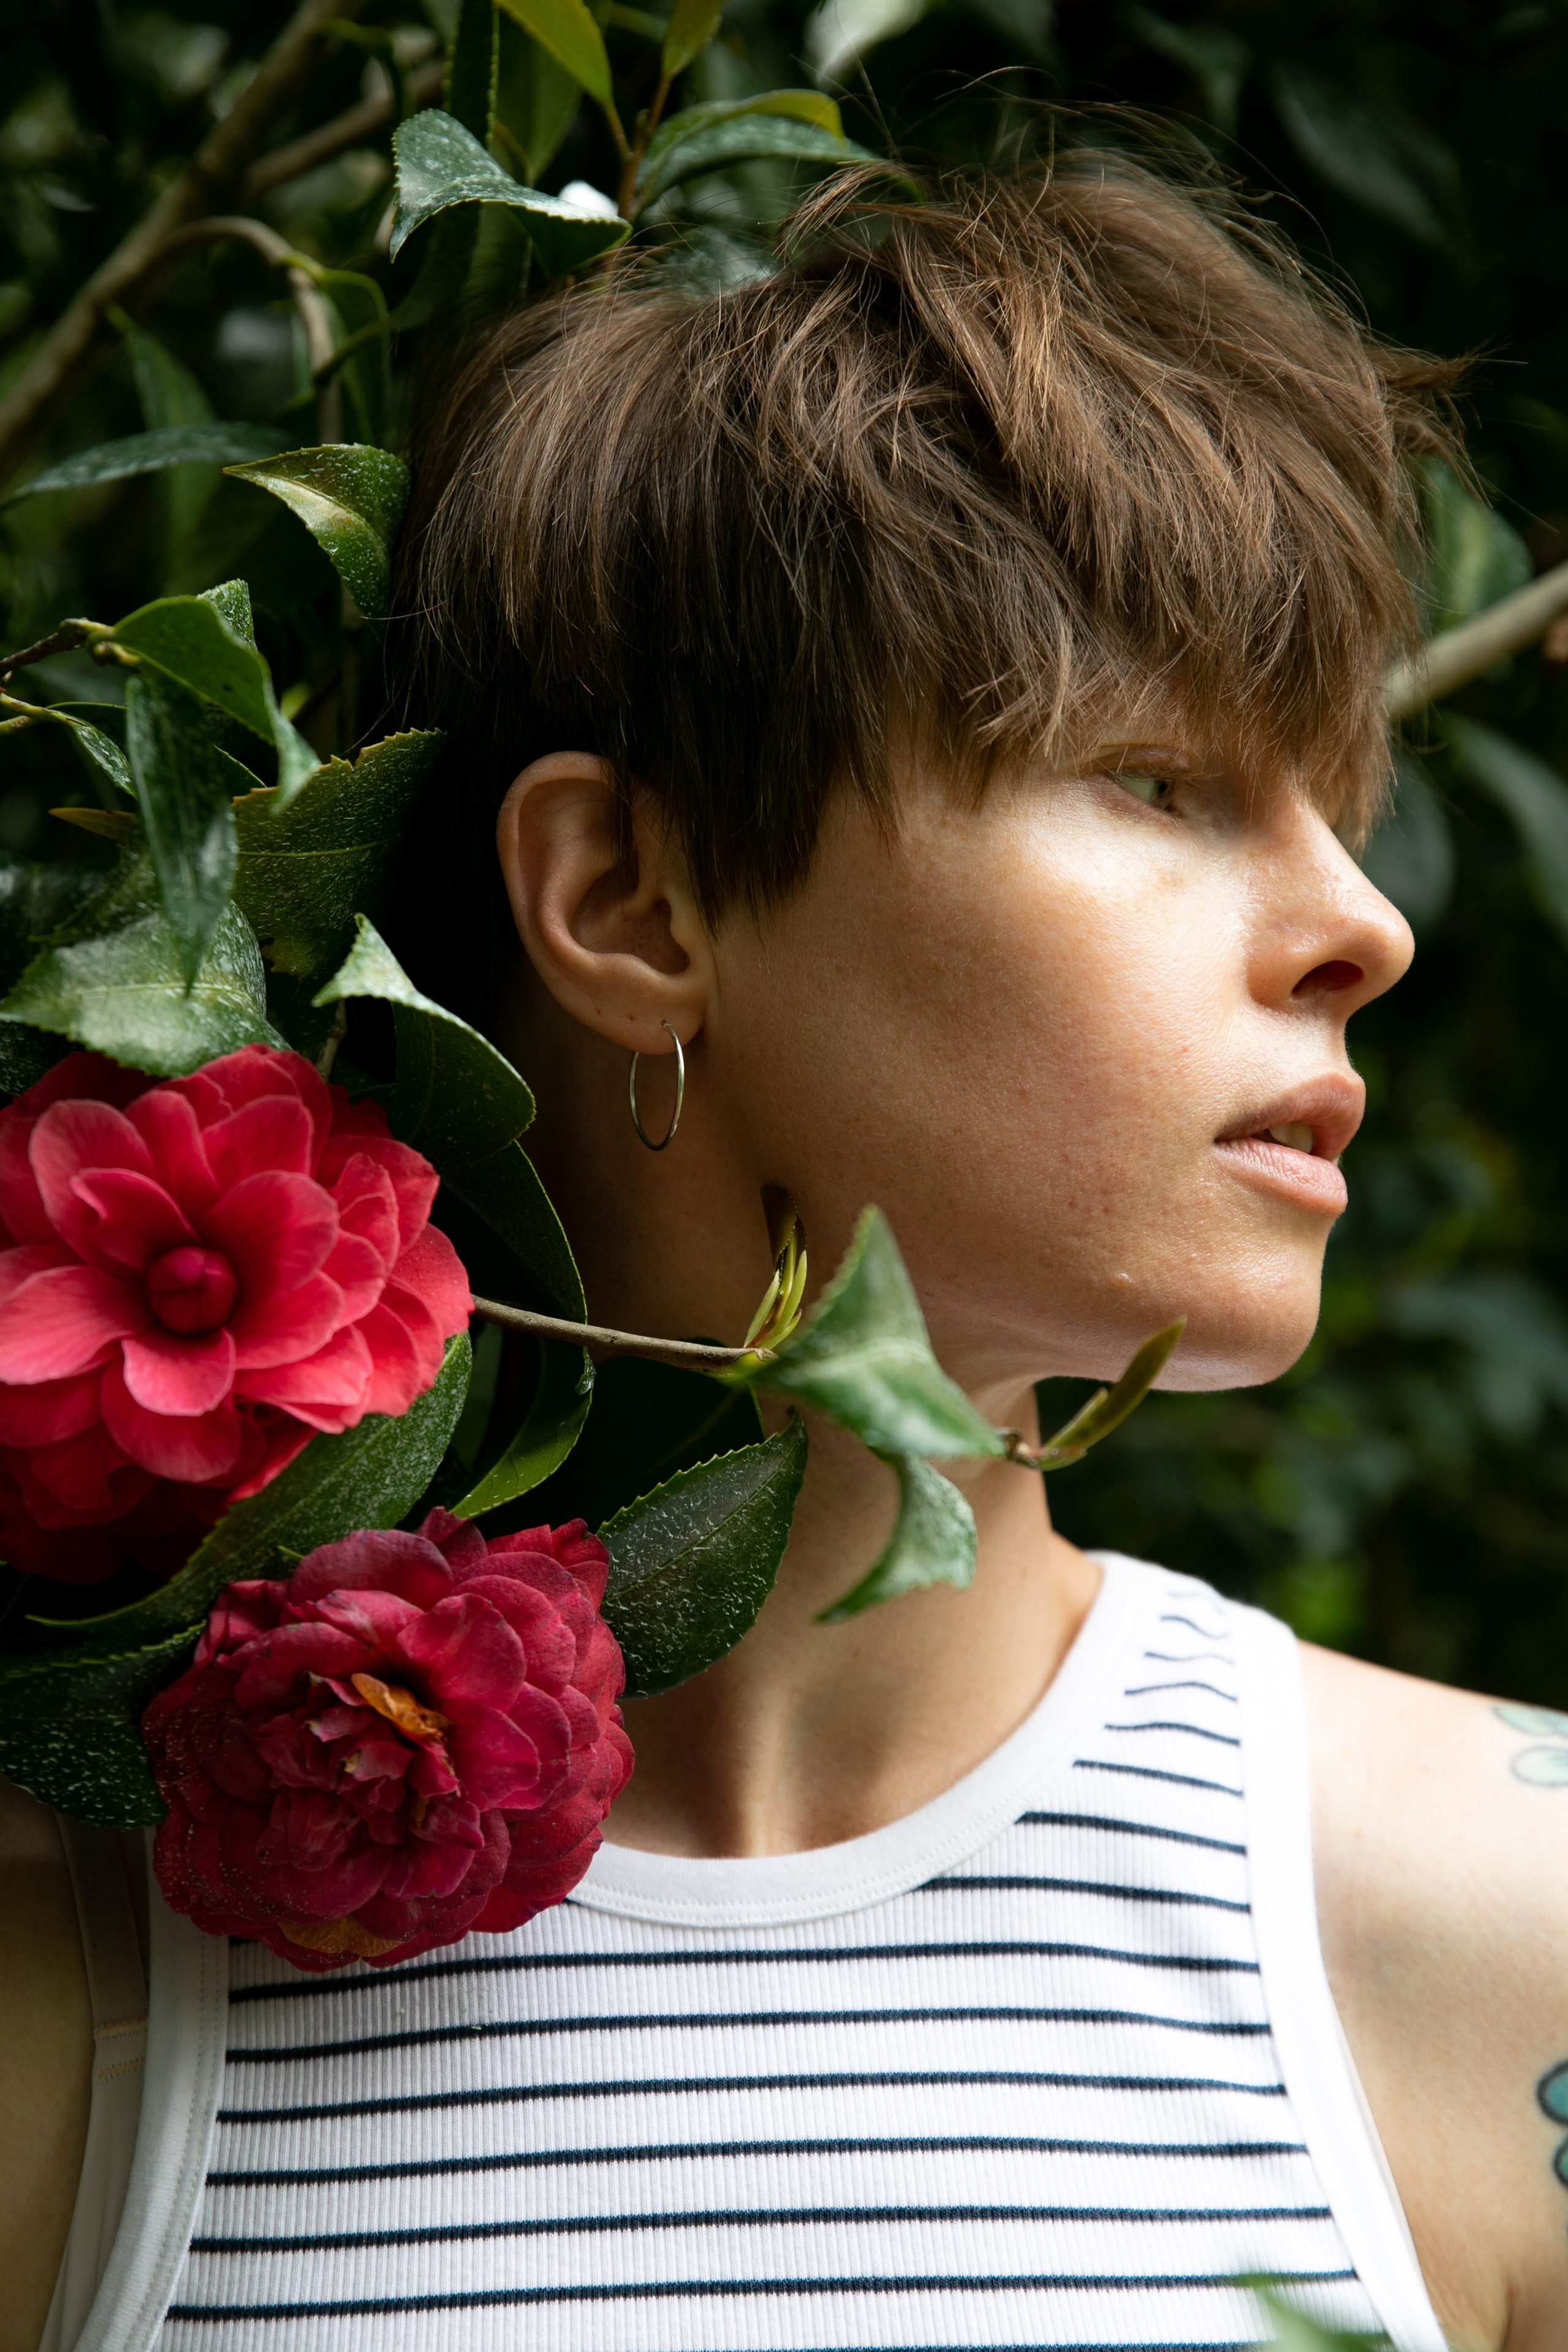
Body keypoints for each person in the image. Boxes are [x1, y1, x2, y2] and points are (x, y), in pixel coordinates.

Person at [3, 154, 1565, 2352]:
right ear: (635, 906)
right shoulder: (68, 1983)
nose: (1363, 929)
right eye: (1158, 782)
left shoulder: (1514, 1939)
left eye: (1338, 801)